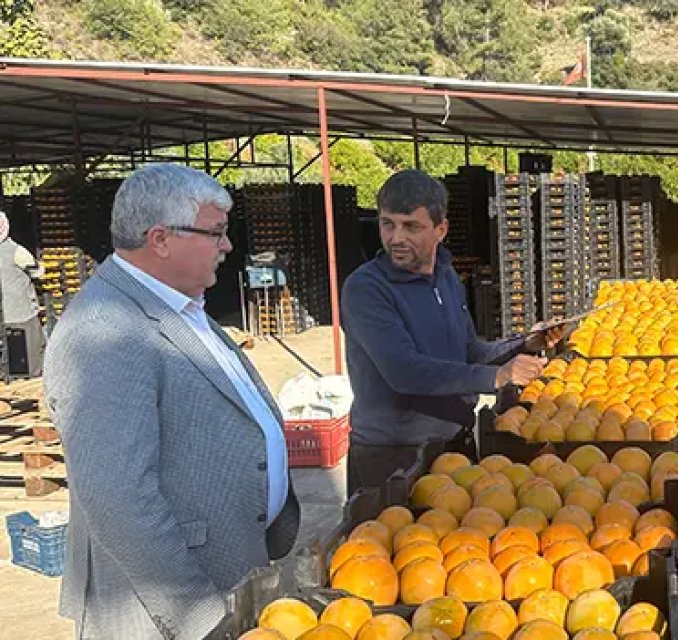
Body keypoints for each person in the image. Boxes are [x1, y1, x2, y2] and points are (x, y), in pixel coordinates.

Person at [44, 164, 298, 640]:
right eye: (216, 232)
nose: (227, 245)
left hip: (227, 578)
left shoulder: (178, 304)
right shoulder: (104, 330)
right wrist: (196, 616)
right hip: (166, 612)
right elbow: (117, 497)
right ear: (160, 239)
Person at [341, 169, 565, 495]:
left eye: (411, 226)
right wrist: (497, 377)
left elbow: (468, 352)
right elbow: (404, 372)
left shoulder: (446, 278)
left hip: (453, 445)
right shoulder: (366, 289)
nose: (396, 238)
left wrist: (524, 344)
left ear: (441, 229)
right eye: (388, 224)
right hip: (392, 456)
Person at [0, 210, 45, 375]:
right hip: (22, 314)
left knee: (11, 361)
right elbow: (38, 272)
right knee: (32, 358)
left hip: (4, 317)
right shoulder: (16, 251)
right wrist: (40, 266)